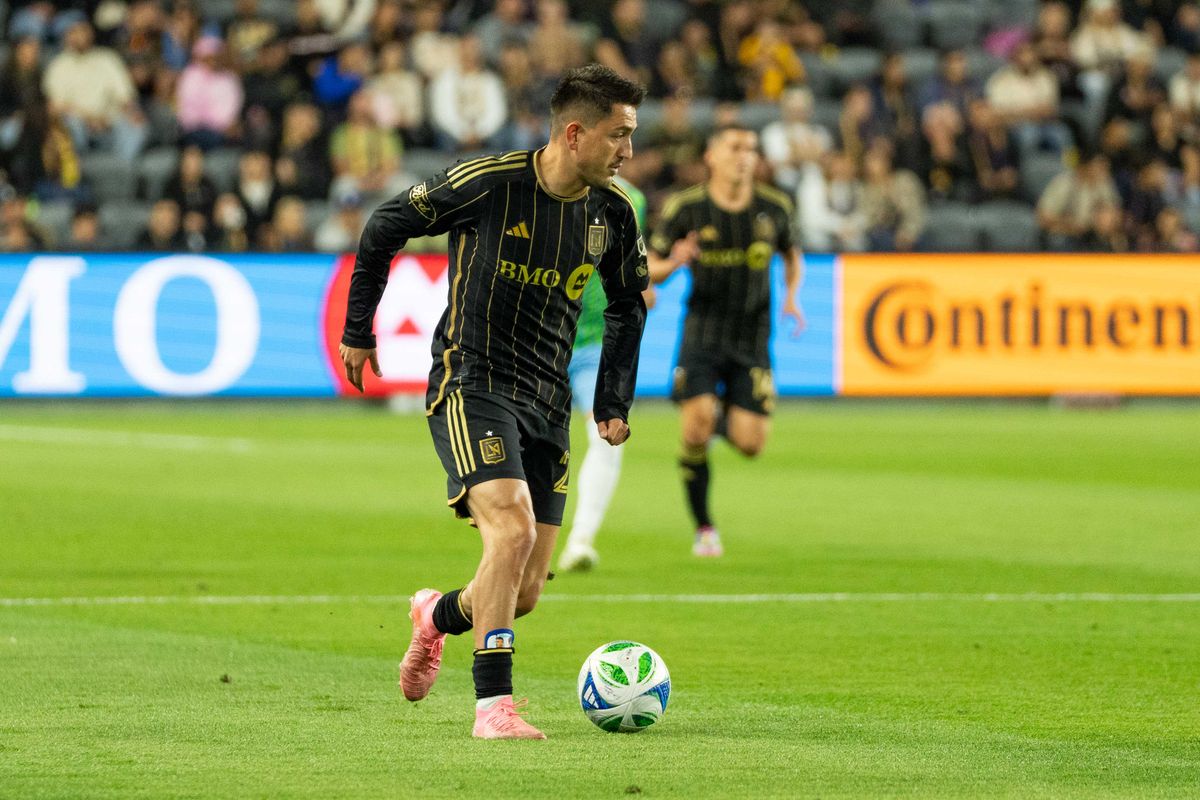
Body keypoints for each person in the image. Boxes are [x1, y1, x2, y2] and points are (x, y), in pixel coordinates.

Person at [337, 64, 649, 740]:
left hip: (547, 400)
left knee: (524, 588)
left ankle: (435, 616)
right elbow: (386, 224)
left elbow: (627, 305)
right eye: (619, 135)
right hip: (470, 382)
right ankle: (493, 708)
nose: (629, 150)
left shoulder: (613, 214)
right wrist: (359, 329)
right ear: (575, 133)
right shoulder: (487, 184)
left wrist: (612, 399)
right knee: (507, 529)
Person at [648, 124, 804, 557]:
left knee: (751, 444)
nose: (745, 156)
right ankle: (704, 527)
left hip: (753, 337)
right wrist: (674, 262)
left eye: (751, 148)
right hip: (702, 332)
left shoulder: (774, 207)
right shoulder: (687, 208)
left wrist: (792, 296)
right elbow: (651, 265)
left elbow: (792, 255)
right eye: (735, 147)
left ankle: (717, 418)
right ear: (712, 156)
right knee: (694, 431)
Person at [556, 176, 653, 573]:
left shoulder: (633, 198)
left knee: (607, 437)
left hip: (595, 339)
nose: (621, 149)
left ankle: (580, 539)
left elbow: (636, 260)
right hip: (541, 337)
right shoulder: (544, 184)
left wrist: (643, 282)